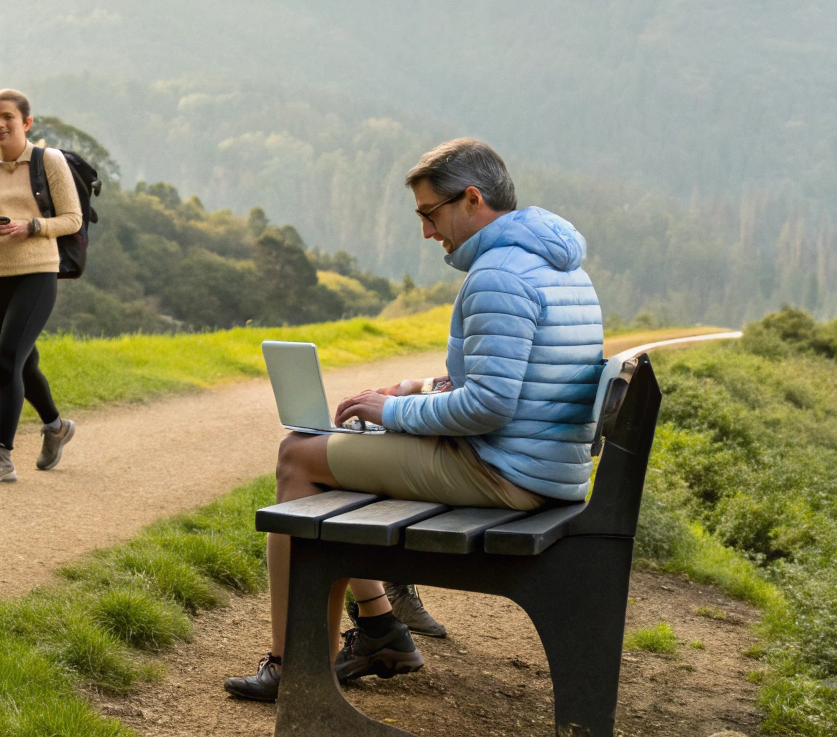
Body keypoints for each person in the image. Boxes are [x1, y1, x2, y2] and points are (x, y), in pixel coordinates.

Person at [224, 138, 603, 701]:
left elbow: (490, 407)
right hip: (544, 467)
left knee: (298, 459)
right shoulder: (556, 263)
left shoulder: (498, 274)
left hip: (505, 473)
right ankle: (379, 626)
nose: (428, 232)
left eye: (430, 214)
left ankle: (295, 666)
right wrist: (419, 389)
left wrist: (394, 411)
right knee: (352, 445)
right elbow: (521, 386)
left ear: (472, 199)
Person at [0, 88, 83, 484]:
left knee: (7, 360)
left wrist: (30, 227)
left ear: (26, 123)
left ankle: (2, 456)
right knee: (23, 364)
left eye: (7, 117)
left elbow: (73, 219)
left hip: (37, 272)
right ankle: (56, 426)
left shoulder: (49, 162)